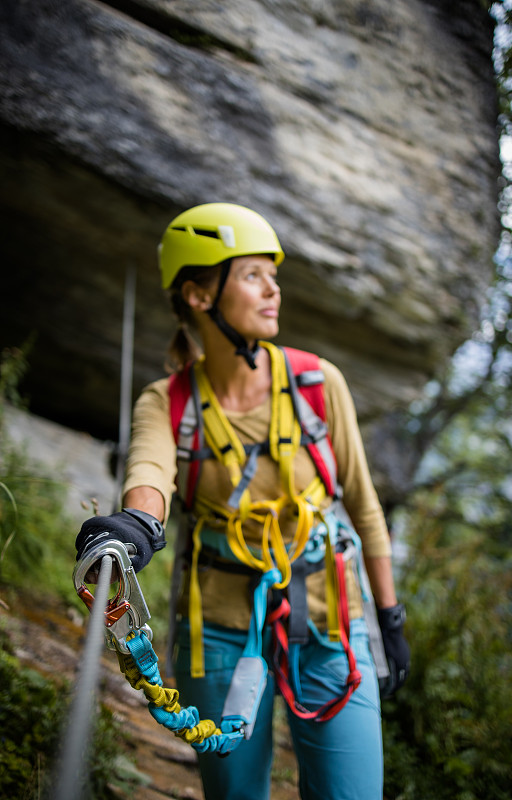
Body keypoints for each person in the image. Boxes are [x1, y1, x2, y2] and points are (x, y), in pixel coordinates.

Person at [75, 202, 409, 800]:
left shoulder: (317, 383)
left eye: (272, 275)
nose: (273, 289)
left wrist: (390, 618)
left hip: (333, 618)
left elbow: (362, 504)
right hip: (218, 629)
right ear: (201, 296)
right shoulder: (169, 401)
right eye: (253, 274)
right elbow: (150, 470)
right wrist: (133, 524)